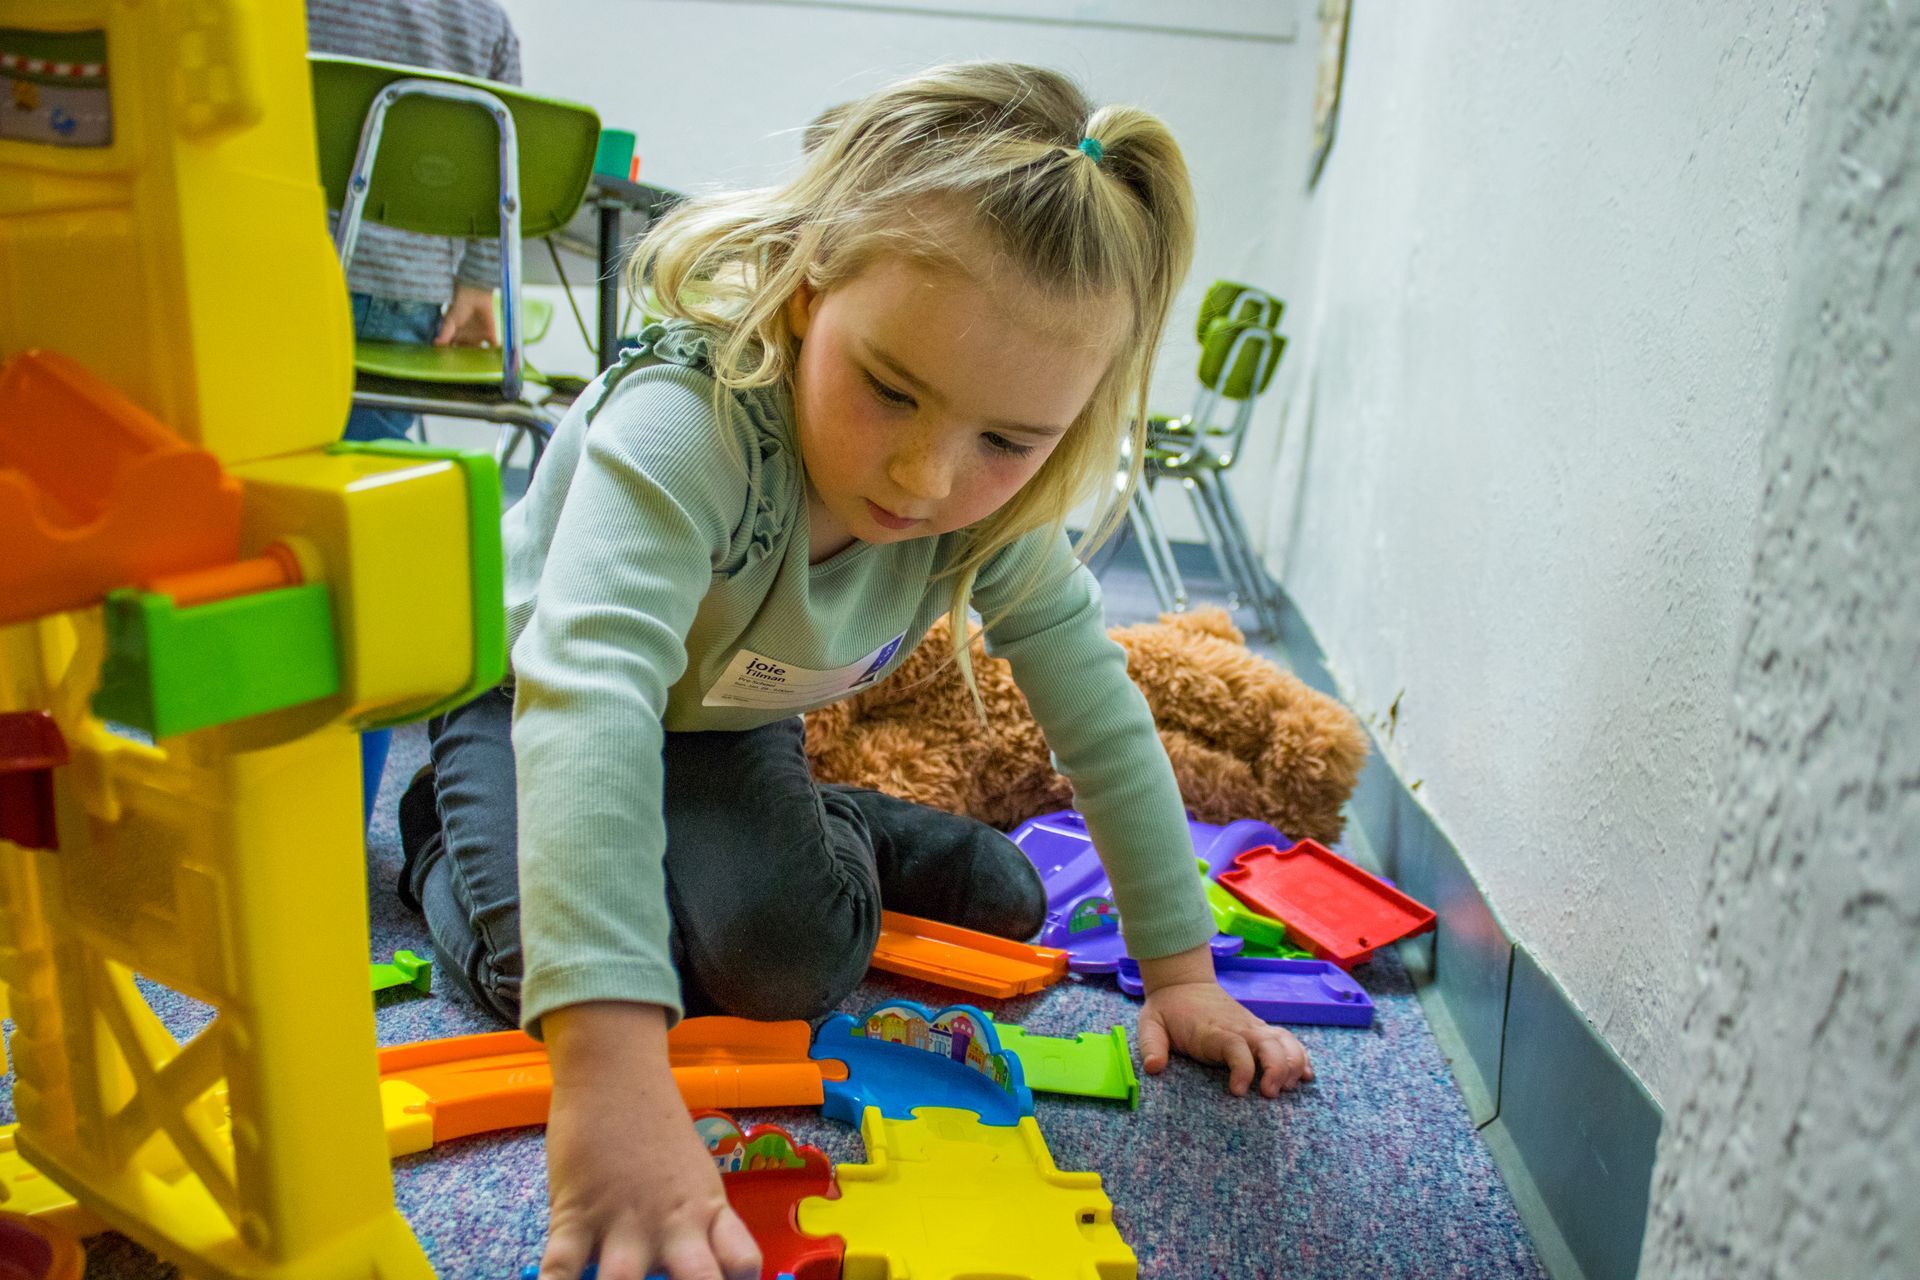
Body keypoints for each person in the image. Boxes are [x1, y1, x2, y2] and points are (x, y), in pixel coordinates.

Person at [395, 63, 1316, 1280]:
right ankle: (437, 832)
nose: (928, 477)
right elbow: (592, 687)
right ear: (804, 286)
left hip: (725, 721)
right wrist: (611, 1070)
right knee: (546, 973)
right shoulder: (686, 423)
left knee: (786, 963)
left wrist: (1182, 969)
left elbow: (1099, 710)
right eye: (890, 390)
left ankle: (859, 831)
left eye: (1007, 439)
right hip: (532, 696)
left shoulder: (1000, 515)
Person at [306, 0, 522, 441]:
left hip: (289, 260)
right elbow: (500, 166)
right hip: (407, 290)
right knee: (372, 458)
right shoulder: (487, 21)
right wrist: (479, 282)